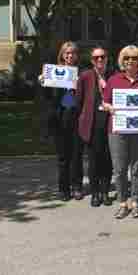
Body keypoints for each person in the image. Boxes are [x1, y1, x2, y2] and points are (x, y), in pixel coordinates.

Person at [102, 45, 138, 219]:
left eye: (134, 58)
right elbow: (105, 102)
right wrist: (109, 107)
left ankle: (136, 202)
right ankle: (123, 202)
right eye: (127, 58)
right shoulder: (113, 80)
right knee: (119, 168)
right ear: (122, 61)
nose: (130, 61)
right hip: (117, 130)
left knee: (137, 168)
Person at [41, 41, 84, 201]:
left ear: (76, 55)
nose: (70, 56)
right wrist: (43, 82)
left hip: (77, 118)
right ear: (62, 55)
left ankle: (77, 186)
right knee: (63, 157)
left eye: (72, 53)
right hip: (60, 119)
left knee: (76, 156)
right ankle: (63, 189)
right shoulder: (54, 72)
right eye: (67, 53)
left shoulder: (82, 73)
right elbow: (47, 98)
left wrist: (79, 82)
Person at [76, 46, 113, 207]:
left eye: (102, 57)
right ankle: (95, 192)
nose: (100, 60)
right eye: (96, 57)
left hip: (111, 123)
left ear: (107, 58)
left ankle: (105, 192)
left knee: (108, 159)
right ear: (92, 60)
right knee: (93, 160)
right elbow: (78, 101)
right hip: (92, 124)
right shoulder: (85, 76)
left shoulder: (113, 76)